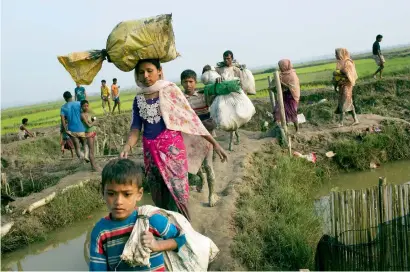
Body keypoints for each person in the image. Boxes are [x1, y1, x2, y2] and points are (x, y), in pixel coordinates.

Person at [120, 59, 228, 221]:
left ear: (159, 71)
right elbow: (136, 128)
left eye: (149, 70)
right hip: (150, 154)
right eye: (141, 72)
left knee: (178, 196)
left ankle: (184, 233)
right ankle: (166, 232)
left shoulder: (170, 91)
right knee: (158, 196)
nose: (146, 75)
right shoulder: (138, 99)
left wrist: (215, 144)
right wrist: (128, 146)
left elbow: (192, 119)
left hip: (172, 152)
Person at [89, 159, 187, 271]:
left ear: (139, 194)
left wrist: (157, 246)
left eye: (127, 194)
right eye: (111, 194)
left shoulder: (150, 220)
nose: (118, 201)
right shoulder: (100, 232)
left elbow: (181, 238)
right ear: (103, 192)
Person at [181, 69, 219, 206]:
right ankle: (201, 180)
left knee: (208, 166)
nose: (188, 85)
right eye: (185, 82)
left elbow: (216, 98)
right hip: (190, 137)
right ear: (181, 83)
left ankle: (212, 194)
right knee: (194, 167)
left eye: (190, 81)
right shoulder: (180, 99)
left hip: (206, 136)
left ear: (195, 82)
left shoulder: (204, 95)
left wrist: (217, 85)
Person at [333, 48, 359, 127]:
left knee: (343, 102)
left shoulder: (348, 63)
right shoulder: (340, 63)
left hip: (347, 86)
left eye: (337, 54)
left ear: (341, 54)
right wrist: (336, 84)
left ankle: (341, 122)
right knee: (348, 102)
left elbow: (350, 75)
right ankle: (356, 119)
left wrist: (339, 73)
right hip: (342, 85)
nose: (336, 55)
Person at [274, 59, 301, 133]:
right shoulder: (281, 75)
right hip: (284, 96)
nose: (280, 68)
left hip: (291, 97)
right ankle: (284, 130)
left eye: (281, 66)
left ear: (285, 66)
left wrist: (280, 82)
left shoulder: (292, 75)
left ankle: (297, 130)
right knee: (279, 112)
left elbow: (290, 87)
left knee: (292, 113)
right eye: (279, 66)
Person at [60, 91, 88, 161]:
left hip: (72, 130)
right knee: (85, 144)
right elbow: (84, 113)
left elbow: (63, 120)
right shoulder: (79, 103)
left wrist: (65, 130)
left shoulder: (63, 107)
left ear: (65, 98)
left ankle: (82, 159)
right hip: (81, 128)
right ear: (72, 96)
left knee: (77, 147)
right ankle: (86, 156)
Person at [81, 100, 100, 171]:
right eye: (84, 106)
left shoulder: (89, 113)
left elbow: (94, 120)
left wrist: (94, 122)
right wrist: (94, 123)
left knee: (92, 151)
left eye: (87, 105)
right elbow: (89, 125)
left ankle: (94, 165)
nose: (86, 107)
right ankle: (93, 167)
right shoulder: (82, 115)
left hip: (92, 133)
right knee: (91, 151)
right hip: (88, 134)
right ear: (81, 107)